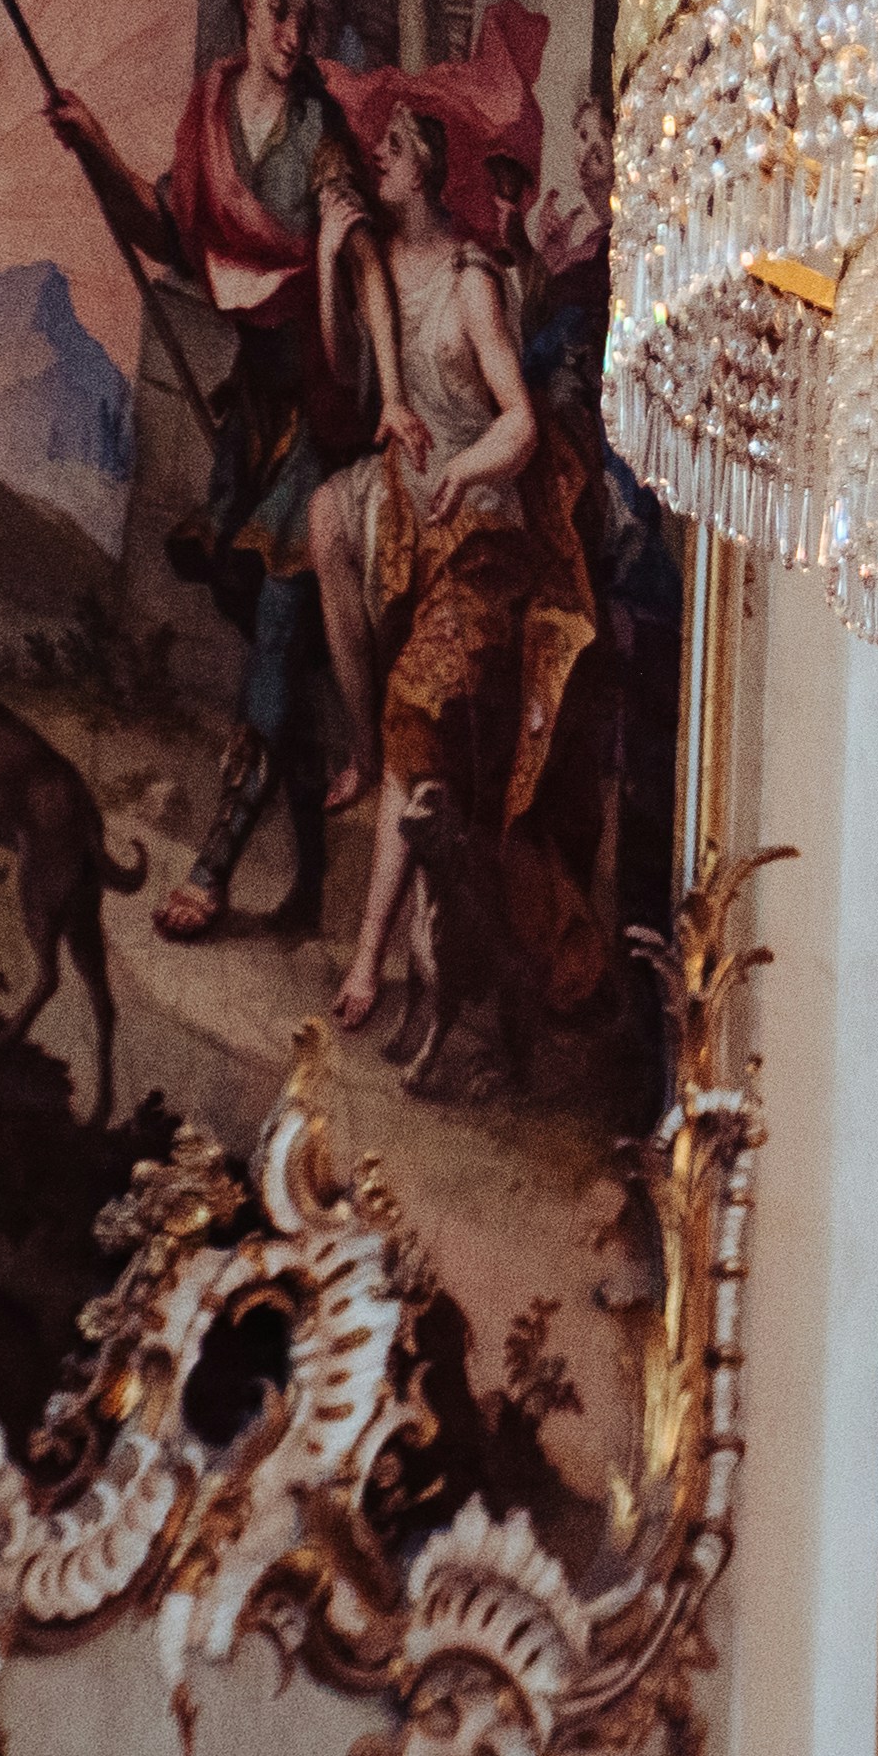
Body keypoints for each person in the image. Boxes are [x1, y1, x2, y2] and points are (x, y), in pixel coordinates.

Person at [45, 0, 374, 941]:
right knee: (280, 643)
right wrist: (94, 143)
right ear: (243, 2)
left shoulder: (320, 133)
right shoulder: (211, 112)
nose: (293, 29)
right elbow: (169, 228)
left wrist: (329, 250)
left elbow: (349, 278)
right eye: (279, 7)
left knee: (279, 628)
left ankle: (216, 867)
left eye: (304, 15)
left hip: (317, 410)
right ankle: (310, 882)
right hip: (253, 415)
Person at [328, 104, 611, 1061]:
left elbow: (521, 424)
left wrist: (462, 470)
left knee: (415, 706)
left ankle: (383, 960)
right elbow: (364, 351)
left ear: (431, 167)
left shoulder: (470, 283)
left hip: (486, 542)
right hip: (419, 530)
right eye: (382, 147)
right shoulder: (383, 265)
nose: (381, 156)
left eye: (396, 147)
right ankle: (388, 959)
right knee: (414, 738)